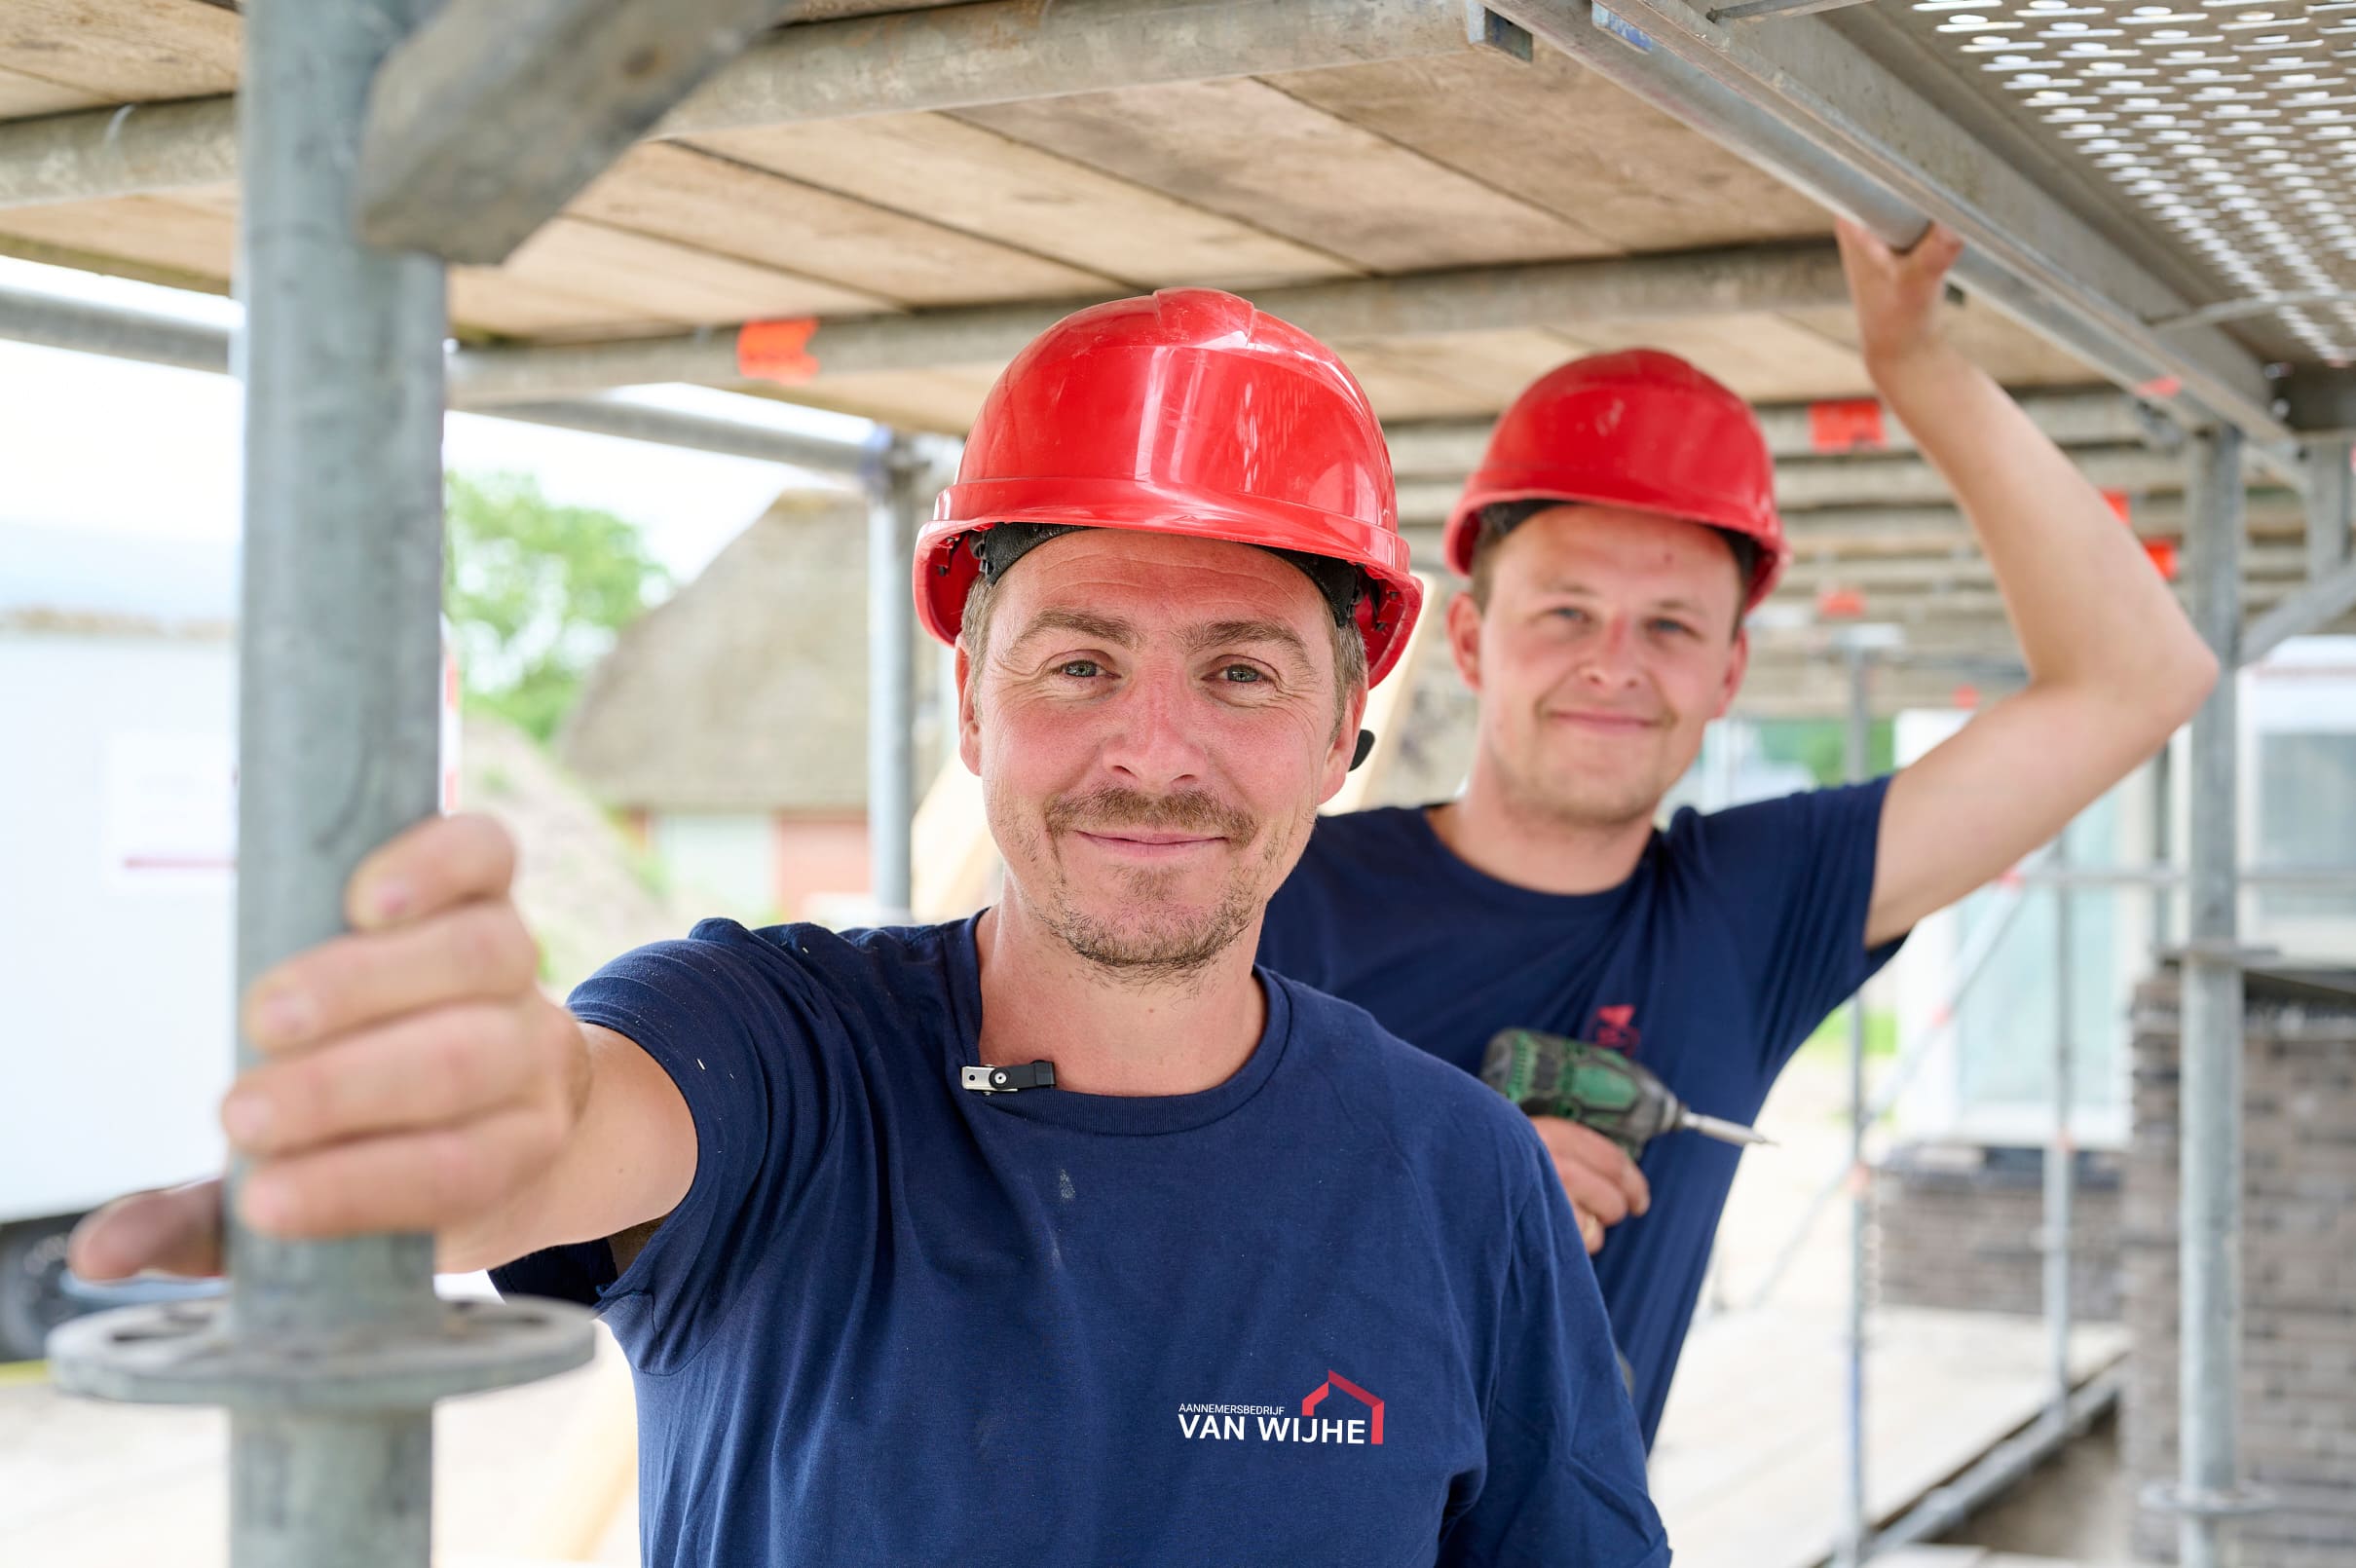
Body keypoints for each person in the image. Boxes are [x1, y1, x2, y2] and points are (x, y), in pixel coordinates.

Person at [70, 289, 1669, 1567]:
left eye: (1241, 672)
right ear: (970, 709)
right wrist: (461, 1127)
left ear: (1342, 736)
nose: (1153, 752)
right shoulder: (773, 1051)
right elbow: (569, 1123)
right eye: (1078, 663)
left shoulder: (1457, 1175)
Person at [1256, 220, 2222, 1447]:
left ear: (1728, 673)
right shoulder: (1281, 887)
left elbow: (2135, 676)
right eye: (1565, 610)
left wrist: (1918, 365)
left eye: (1670, 625)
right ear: (1468, 642)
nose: (1614, 663)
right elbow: (1098, 1209)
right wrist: (1442, 1190)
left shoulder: (1749, 908)